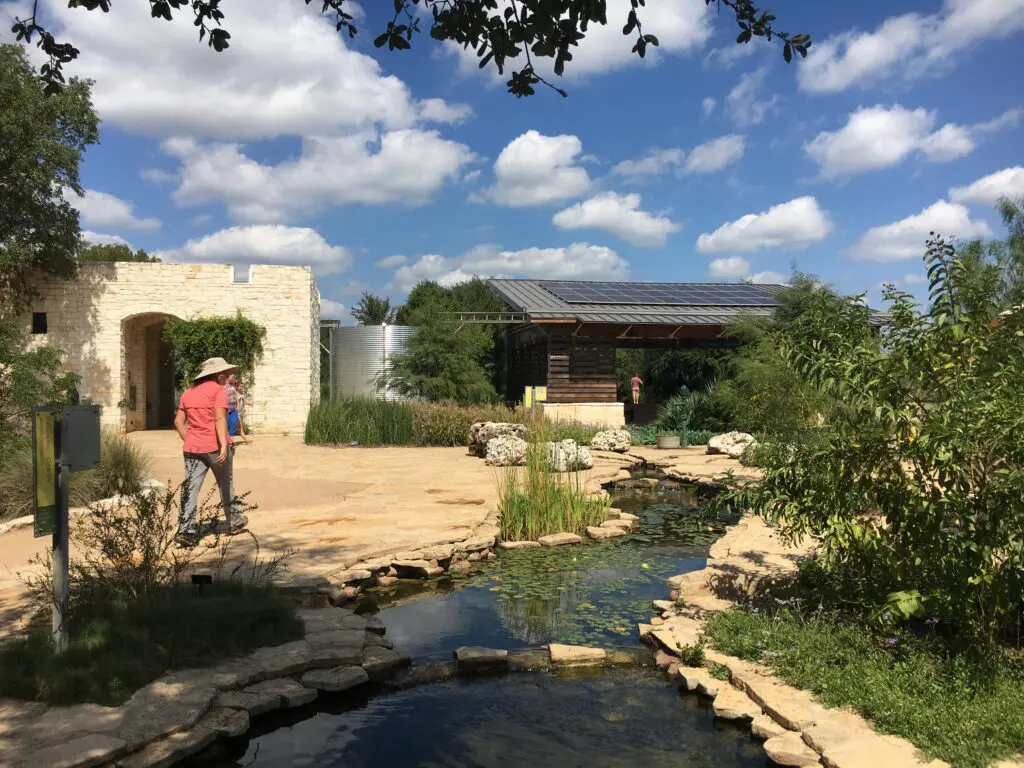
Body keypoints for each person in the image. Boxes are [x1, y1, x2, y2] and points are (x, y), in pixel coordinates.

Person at [173, 357, 248, 542]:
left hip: (192, 448)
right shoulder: (218, 391)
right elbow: (220, 419)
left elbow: (178, 421)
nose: (228, 377)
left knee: (190, 488)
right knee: (225, 484)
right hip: (215, 447)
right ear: (219, 376)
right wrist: (224, 444)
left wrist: (189, 438)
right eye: (226, 374)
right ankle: (235, 522)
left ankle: (185, 530)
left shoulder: (188, 393)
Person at [225, 373, 249, 444]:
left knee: (233, 426)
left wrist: (237, 406)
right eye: (232, 377)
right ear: (228, 377)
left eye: (234, 377)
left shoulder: (232, 385)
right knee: (226, 426)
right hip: (227, 410)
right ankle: (226, 442)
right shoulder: (224, 385)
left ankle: (231, 442)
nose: (233, 378)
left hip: (234, 410)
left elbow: (235, 396)